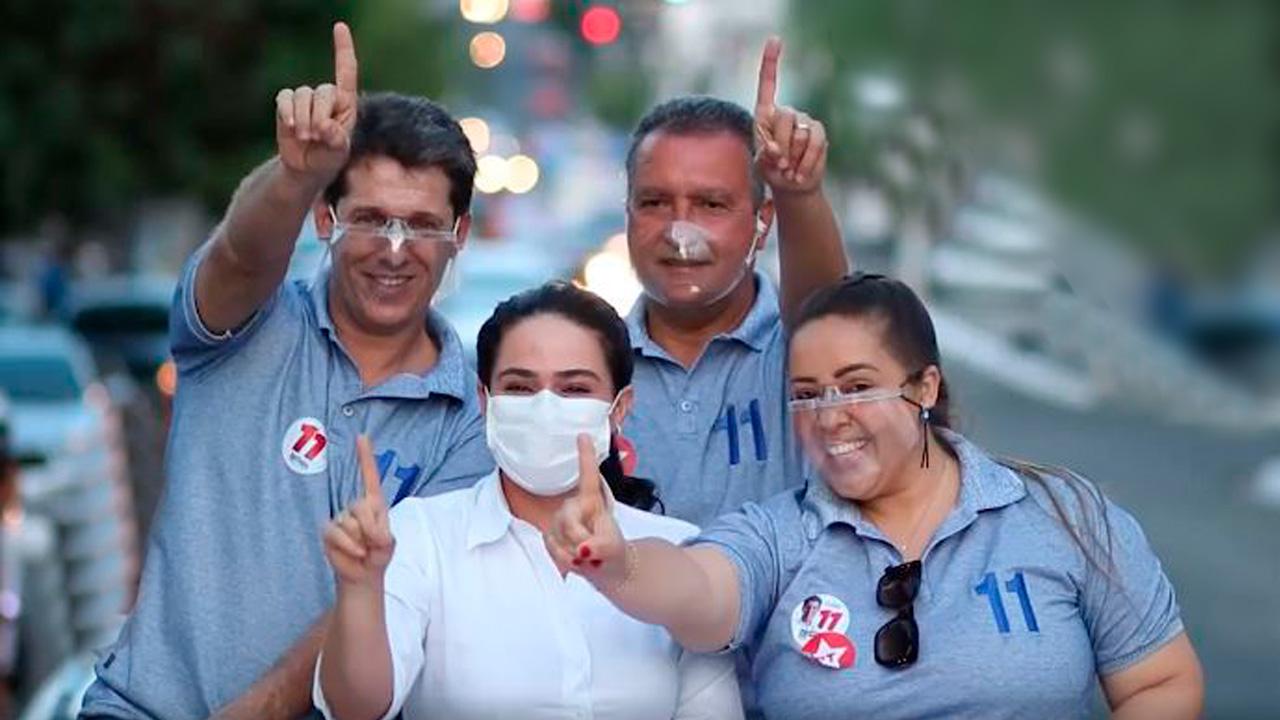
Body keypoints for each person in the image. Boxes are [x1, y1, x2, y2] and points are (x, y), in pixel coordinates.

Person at [549, 274, 1205, 719]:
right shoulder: (780, 536)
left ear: (923, 388)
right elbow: (700, 589)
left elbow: (1163, 680)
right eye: (806, 394)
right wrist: (622, 563)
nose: (829, 416)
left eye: (856, 385)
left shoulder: (1061, 513)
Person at [81, 23, 493, 720]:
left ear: (459, 237)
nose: (394, 250)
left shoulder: (471, 420)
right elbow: (241, 256)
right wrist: (298, 174)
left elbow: (382, 606)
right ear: (326, 220)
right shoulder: (251, 325)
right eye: (370, 218)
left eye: (421, 225)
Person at [314, 282, 742, 720]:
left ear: (619, 408)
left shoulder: (679, 552)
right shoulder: (423, 536)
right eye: (519, 387)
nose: (545, 408)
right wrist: (360, 589)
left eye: (574, 389)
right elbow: (355, 707)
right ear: (484, 401)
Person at [620, 38, 848, 527]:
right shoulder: (590, 365)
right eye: (655, 203)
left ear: (762, 222)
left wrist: (797, 191)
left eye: (711, 205)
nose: (680, 233)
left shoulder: (796, 360)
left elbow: (831, 321)